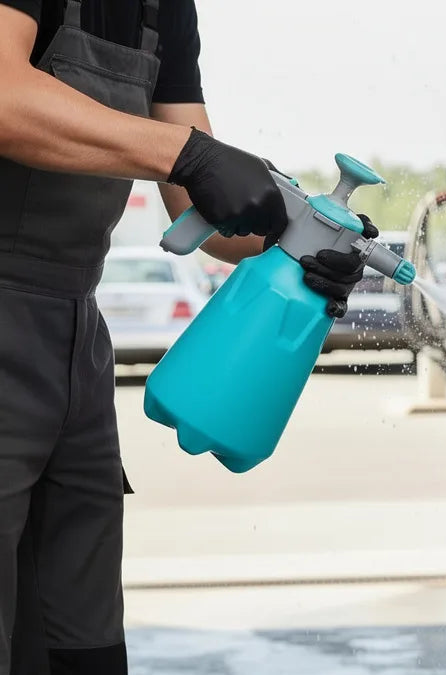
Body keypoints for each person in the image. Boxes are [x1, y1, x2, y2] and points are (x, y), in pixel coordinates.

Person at [0, 1, 371, 673]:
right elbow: (4, 97)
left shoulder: (161, 7)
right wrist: (188, 154)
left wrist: (300, 240)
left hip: (73, 336)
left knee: (81, 638)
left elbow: (203, 206)